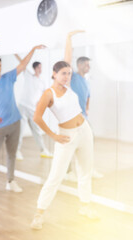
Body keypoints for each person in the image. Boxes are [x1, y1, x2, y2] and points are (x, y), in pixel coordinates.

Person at [30, 61, 98, 230]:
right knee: (55, 176)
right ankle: (39, 214)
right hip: (66, 137)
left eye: (69, 73)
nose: (67, 77)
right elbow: (37, 117)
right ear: (54, 74)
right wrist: (53, 135)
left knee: (85, 171)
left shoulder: (69, 88)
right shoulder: (49, 93)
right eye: (63, 73)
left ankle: (85, 206)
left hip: (84, 131)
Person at [0, 45, 45, 198]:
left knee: (12, 155)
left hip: (15, 123)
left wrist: (33, 49)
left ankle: (10, 181)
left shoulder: (8, 77)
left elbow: (23, 65)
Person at [64, 30, 103, 181]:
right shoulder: (72, 77)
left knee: (89, 142)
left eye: (89, 65)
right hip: (71, 119)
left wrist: (87, 108)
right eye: (86, 65)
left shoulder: (86, 81)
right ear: (79, 65)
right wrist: (69, 39)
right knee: (70, 147)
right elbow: (67, 60)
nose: (88, 67)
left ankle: (89, 169)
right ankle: (68, 172)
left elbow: (88, 97)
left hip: (83, 118)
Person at [14, 55, 53, 161]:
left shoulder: (42, 81)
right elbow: (22, 62)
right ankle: (16, 151)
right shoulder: (28, 74)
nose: (41, 69)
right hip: (23, 106)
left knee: (37, 130)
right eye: (39, 67)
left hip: (33, 109)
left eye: (41, 67)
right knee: (20, 130)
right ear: (35, 68)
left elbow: (45, 95)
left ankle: (43, 150)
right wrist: (15, 53)